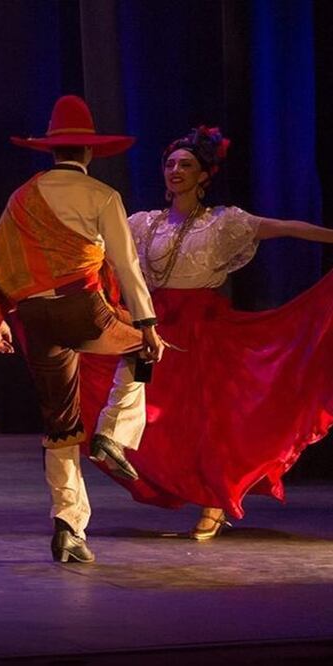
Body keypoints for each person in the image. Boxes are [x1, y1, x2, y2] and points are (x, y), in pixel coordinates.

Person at [81, 126, 333, 539]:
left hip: (204, 331)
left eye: (186, 165)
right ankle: (172, 483)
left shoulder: (223, 223)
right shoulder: (144, 223)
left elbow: (287, 226)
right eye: (170, 164)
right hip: (153, 326)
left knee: (208, 421)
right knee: (157, 420)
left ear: (204, 175)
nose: (175, 170)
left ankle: (215, 502)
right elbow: (90, 243)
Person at [0, 95, 165, 563]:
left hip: (34, 319)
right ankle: (112, 434)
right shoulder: (102, 196)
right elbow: (125, 265)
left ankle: (68, 527)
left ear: (51, 151)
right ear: (89, 152)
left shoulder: (22, 196)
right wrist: (146, 323)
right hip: (81, 309)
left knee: (59, 425)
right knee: (144, 351)